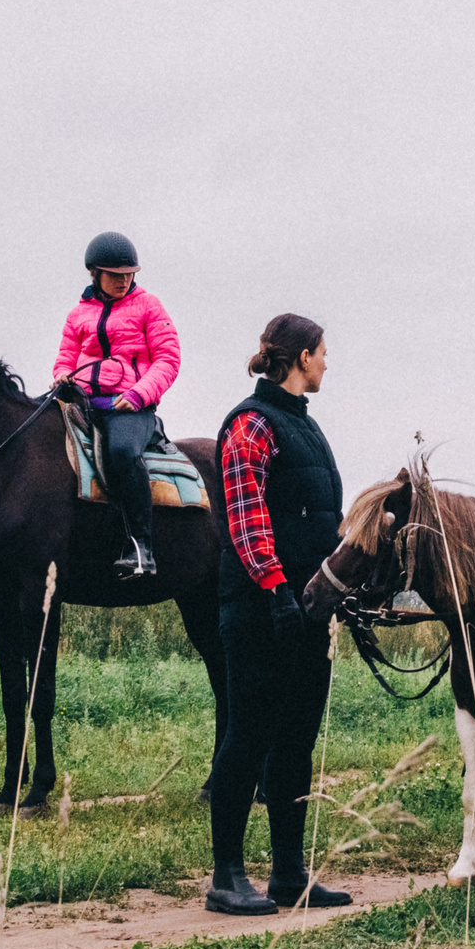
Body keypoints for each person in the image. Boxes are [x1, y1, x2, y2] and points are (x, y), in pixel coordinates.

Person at [206, 313, 351, 917]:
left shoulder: (306, 428)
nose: (327, 363)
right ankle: (226, 877)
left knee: (295, 739)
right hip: (260, 608)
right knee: (248, 735)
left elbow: (320, 520)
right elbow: (247, 518)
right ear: (300, 357)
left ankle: (289, 874)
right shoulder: (251, 424)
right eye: (322, 352)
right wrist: (275, 588)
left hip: (308, 609)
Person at [51, 232, 181, 577]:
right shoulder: (77, 314)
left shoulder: (149, 306)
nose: (124, 280)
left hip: (130, 407)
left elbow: (168, 359)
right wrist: (62, 375)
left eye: (129, 274)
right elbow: (66, 358)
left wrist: (139, 394)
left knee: (122, 451)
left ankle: (141, 547)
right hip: (83, 403)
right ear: (94, 273)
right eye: (115, 274)